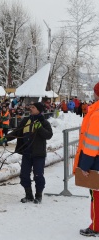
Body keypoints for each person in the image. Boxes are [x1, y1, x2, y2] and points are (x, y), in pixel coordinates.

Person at [1, 102, 53, 204]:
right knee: (24, 175)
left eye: (33, 107)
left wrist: (40, 128)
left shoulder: (44, 122)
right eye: (31, 107)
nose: (31, 108)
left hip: (38, 154)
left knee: (38, 176)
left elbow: (49, 135)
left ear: (39, 110)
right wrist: (6, 138)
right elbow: (17, 131)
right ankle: (28, 195)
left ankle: (38, 196)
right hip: (26, 153)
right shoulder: (26, 120)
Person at [73, 82, 99, 237]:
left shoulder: (96, 115)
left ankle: (96, 226)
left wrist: (84, 165)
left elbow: (91, 143)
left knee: (96, 196)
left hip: (96, 163)